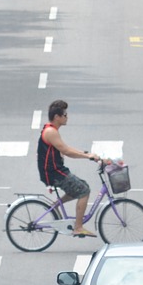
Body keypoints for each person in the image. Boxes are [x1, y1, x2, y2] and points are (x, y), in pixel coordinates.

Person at [37, 99, 100, 238]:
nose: (67, 117)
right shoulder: (50, 132)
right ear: (56, 117)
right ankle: (78, 227)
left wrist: (86, 154)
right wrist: (88, 156)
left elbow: (66, 148)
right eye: (64, 114)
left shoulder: (52, 130)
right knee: (84, 191)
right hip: (54, 173)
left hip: (56, 170)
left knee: (82, 185)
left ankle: (54, 206)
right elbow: (67, 151)